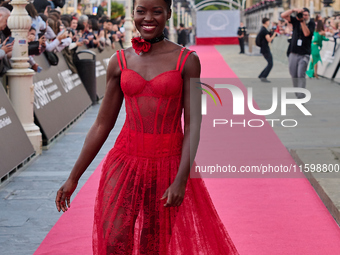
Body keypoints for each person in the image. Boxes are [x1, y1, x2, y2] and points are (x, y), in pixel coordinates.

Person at [55, 0, 240, 254]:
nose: (148, 18)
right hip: (124, 161)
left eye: (157, 11)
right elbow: (101, 124)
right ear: (133, 14)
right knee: (113, 240)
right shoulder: (119, 60)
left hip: (168, 164)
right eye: (141, 11)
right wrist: (73, 177)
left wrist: (181, 179)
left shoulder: (187, 61)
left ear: (169, 14)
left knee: (153, 245)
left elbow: (194, 124)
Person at [281, 7, 315, 98]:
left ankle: (301, 95)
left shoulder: (311, 23)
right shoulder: (296, 20)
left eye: (306, 15)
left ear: (309, 15)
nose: (304, 16)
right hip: (293, 52)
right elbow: (283, 15)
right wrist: (293, 10)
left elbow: (306, 34)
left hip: (304, 54)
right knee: (293, 74)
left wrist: (302, 22)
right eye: (303, 15)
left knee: (301, 74)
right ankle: (297, 92)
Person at [258, 17, 277, 82]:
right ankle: (263, 76)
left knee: (269, 63)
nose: (269, 23)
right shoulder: (264, 30)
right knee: (270, 63)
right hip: (265, 49)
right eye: (268, 21)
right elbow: (269, 40)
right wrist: (274, 35)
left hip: (264, 48)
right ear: (266, 22)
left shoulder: (263, 29)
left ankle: (261, 75)